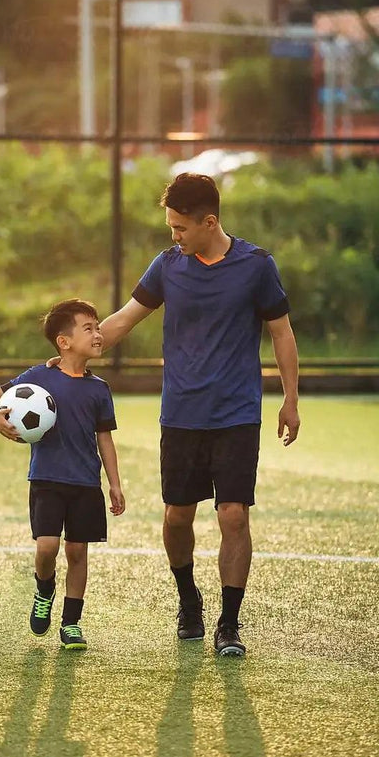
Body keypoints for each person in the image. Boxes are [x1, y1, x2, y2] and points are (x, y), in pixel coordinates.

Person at [98, 172, 300, 656]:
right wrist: (72, 354)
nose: (174, 236)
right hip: (181, 414)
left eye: (180, 227)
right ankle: (189, 602)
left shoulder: (256, 266)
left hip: (237, 414)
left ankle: (229, 624)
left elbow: (281, 333)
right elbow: (124, 320)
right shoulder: (167, 266)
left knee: (233, 515)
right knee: (176, 516)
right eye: (170, 226)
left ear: (209, 222)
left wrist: (290, 398)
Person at [0, 299, 125, 651]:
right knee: (47, 547)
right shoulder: (39, 378)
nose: (98, 334)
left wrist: (115, 483)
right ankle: (44, 588)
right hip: (47, 479)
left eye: (98, 327)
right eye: (89, 328)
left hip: (86, 482)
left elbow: (104, 439)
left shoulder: (99, 389)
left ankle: (71, 623)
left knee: (77, 552)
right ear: (64, 342)